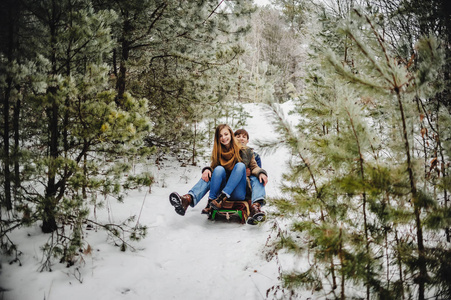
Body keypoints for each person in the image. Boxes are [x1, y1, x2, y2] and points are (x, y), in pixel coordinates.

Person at [169, 124, 268, 223]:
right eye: (220, 136)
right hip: (222, 188)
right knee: (217, 170)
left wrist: (260, 173)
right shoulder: (219, 152)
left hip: (239, 190)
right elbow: (213, 168)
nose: (223, 138)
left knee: (242, 167)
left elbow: (255, 167)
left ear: (230, 135)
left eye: (226, 134)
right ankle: (187, 199)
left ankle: (255, 207)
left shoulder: (246, 152)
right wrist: (207, 170)